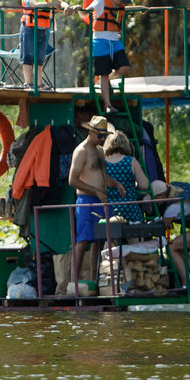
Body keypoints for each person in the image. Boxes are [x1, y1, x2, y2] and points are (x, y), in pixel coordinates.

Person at [67, 116, 113, 295]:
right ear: (91, 132)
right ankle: (74, 283)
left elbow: (100, 175)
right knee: (83, 241)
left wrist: (115, 184)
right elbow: (73, 180)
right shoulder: (81, 151)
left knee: (98, 242)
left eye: (104, 136)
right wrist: (96, 191)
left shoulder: (100, 151)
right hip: (86, 201)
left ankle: (95, 281)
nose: (101, 139)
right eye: (99, 136)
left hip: (100, 200)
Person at [19, 0, 71, 89]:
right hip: (29, 27)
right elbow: (33, 4)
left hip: (43, 28)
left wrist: (66, 6)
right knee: (28, 55)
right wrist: (49, 4)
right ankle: (28, 83)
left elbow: (59, 2)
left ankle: (39, 83)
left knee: (40, 57)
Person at [83, 0, 133, 112]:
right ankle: (108, 105)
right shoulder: (101, 0)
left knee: (125, 67)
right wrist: (78, 10)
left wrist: (142, 9)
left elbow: (125, 9)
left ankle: (106, 79)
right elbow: (85, 12)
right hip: (100, 41)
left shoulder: (119, 5)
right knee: (103, 73)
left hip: (114, 41)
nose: (123, 3)